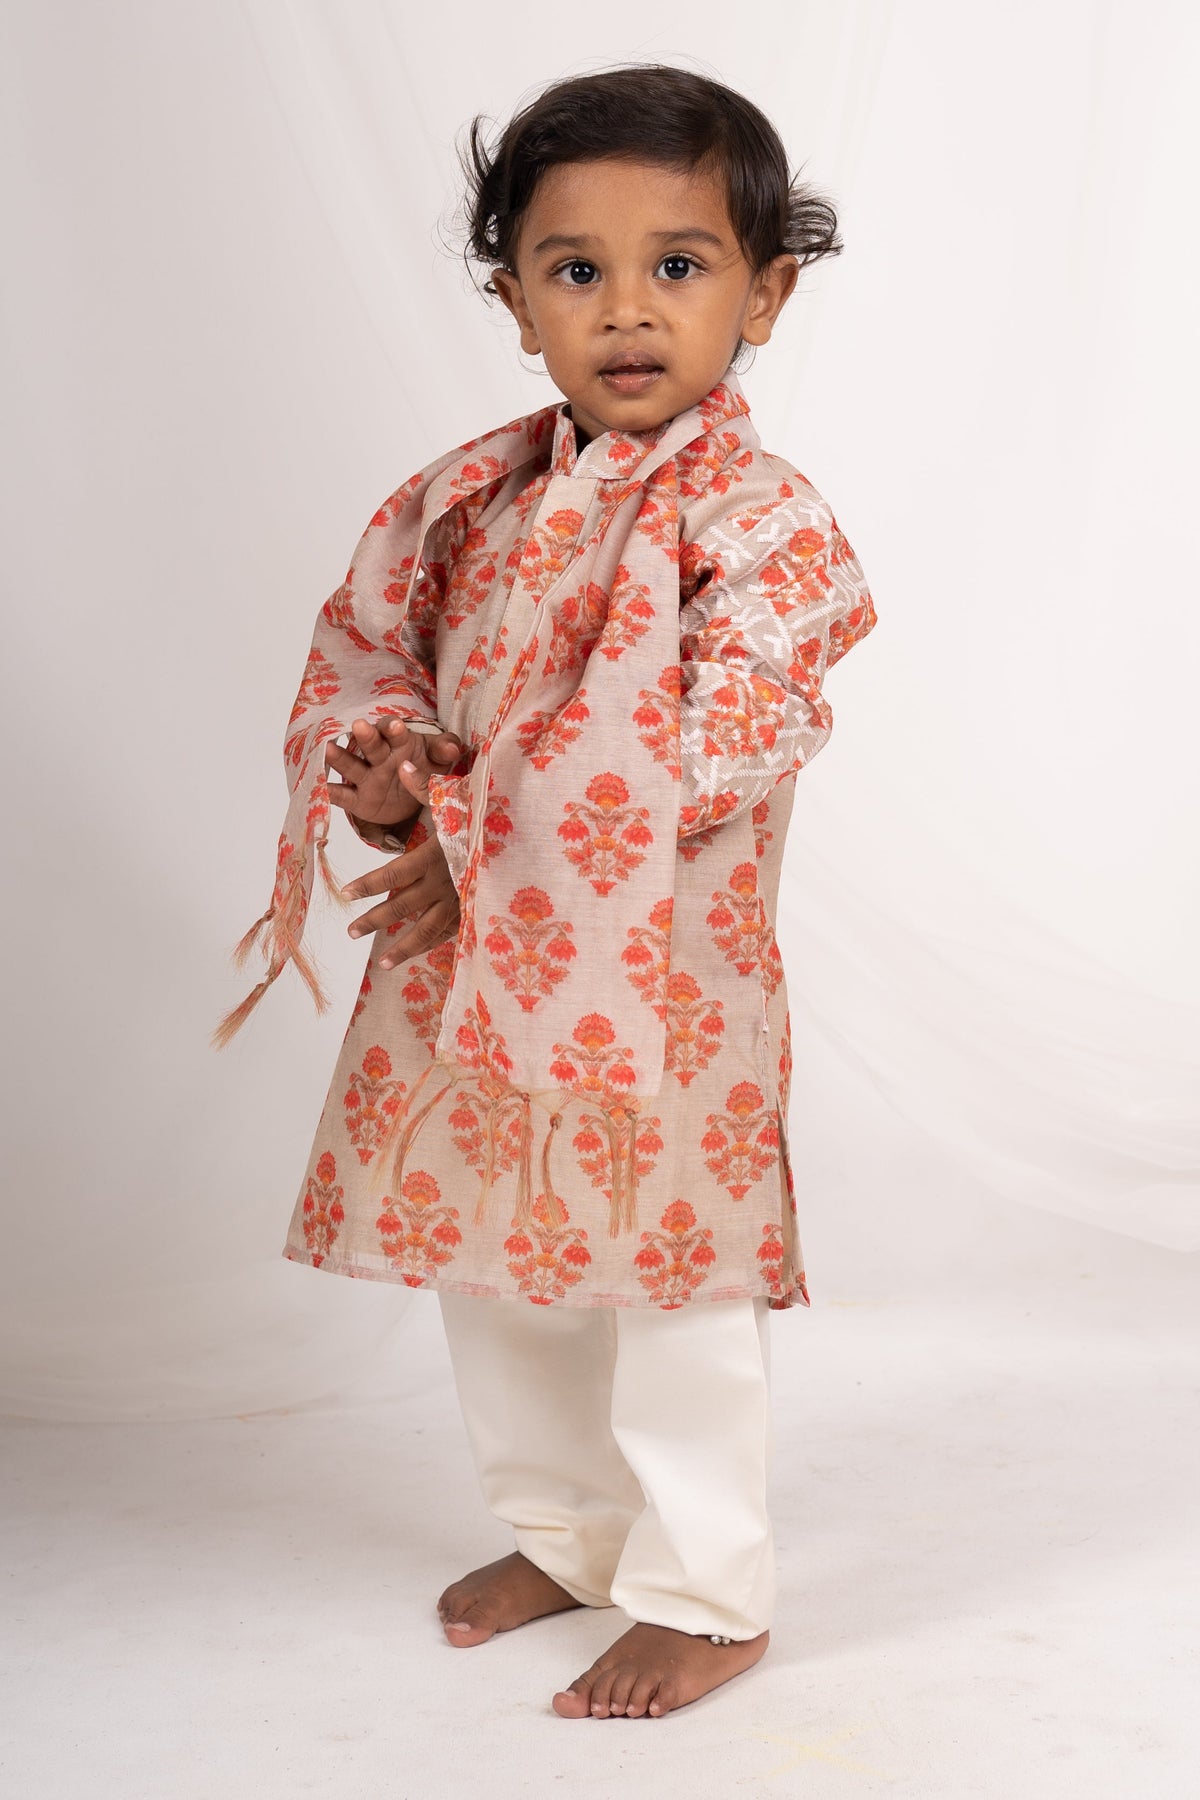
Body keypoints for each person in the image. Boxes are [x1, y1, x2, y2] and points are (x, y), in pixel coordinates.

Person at [217, 64, 878, 1720]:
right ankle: (569, 1537)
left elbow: (715, 747)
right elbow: (367, 647)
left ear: (766, 296)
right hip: (468, 971)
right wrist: (385, 767)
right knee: (498, 1267)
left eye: (681, 264)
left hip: (664, 987)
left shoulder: (766, 526)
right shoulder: (467, 499)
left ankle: (706, 1592)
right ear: (515, 301)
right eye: (576, 268)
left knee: (667, 1287)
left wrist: (470, 839)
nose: (628, 307)